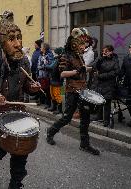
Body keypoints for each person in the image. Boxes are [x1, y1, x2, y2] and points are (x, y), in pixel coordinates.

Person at [0, 11, 41, 189]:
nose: (18, 43)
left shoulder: (24, 61)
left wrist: (32, 87)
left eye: (19, 37)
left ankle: (15, 184)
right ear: (3, 42)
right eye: (12, 39)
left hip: (17, 114)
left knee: (20, 153)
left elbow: (25, 85)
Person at [46, 28, 100, 156]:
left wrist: (93, 68)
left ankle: (84, 144)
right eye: (81, 44)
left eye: (84, 44)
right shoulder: (66, 56)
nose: (84, 46)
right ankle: (50, 132)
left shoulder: (80, 56)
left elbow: (83, 69)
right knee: (67, 118)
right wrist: (78, 71)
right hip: (71, 91)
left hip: (83, 91)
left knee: (85, 119)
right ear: (74, 44)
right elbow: (63, 73)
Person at [91, 45, 120, 127]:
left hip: (109, 84)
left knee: (106, 102)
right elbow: (93, 66)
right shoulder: (101, 58)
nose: (104, 52)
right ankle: (99, 116)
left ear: (111, 52)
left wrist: (101, 75)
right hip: (99, 83)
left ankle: (106, 120)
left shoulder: (115, 60)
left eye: (106, 51)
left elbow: (116, 72)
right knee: (99, 100)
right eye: (103, 51)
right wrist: (100, 58)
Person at [47, 47, 64, 114]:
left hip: (58, 81)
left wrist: (45, 66)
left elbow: (52, 67)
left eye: (55, 52)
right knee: (52, 94)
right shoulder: (56, 59)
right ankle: (54, 106)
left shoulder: (59, 60)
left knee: (58, 95)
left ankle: (60, 109)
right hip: (53, 79)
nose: (53, 53)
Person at [37, 43, 54, 108]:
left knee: (48, 90)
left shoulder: (49, 55)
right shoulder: (41, 55)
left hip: (47, 75)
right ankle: (44, 102)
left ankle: (49, 104)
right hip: (41, 75)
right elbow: (39, 64)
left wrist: (42, 66)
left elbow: (50, 65)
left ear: (44, 48)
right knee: (43, 89)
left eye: (41, 47)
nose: (40, 48)